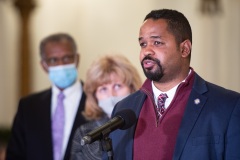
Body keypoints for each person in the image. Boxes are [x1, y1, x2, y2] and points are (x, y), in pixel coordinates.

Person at [102, 9, 240, 160]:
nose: (146, 51)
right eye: (143, 44)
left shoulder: (228, 106)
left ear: (184, 49)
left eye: (157, 42)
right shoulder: (124, 109)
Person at [6, 33, 88, 160]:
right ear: (44, 65)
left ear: (77, 59)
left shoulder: (95, 101)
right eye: (53, 60)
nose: (61, 65)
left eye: (67, 58)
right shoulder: (28, 106)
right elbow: (15, 155)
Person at [70, 54, 142, 160]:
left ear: (132, 88)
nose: (111, 94)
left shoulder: (145, 125)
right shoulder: (84, 133)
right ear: (94, 95)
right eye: (103, 89)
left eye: (118, 86)